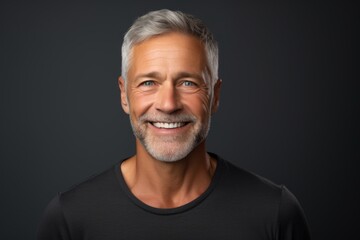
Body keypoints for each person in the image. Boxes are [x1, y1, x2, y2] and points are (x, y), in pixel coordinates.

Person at [37, 9, 311, 240]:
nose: (168, 104)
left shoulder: (274, 212)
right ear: (124, 95)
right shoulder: (70, 219)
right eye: (148, 83)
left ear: (215, 95)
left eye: (188, 83)